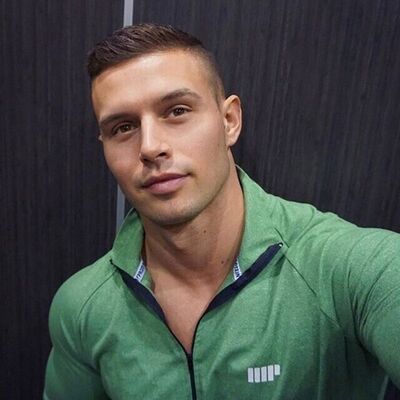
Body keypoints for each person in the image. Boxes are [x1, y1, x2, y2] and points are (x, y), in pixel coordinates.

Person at [43, 23, 400, 399]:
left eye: (177, 111)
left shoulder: (353, 270)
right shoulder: (82, 307)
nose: (150, 147)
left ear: (230, 121)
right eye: (122, 127)